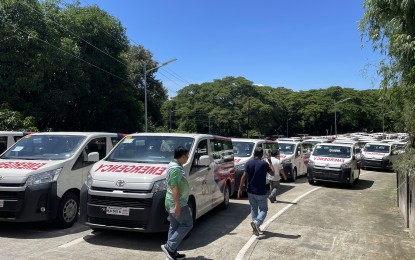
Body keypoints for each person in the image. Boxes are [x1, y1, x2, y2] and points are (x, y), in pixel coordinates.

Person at [161, 146, 193, 260]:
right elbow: (174, 187)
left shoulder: (172, 165)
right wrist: (178, 206)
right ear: (183, 156)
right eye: (187, 156)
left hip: (170, 202)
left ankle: (171, 254)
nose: (187, 159)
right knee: (187, 224)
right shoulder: (175, 169)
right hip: (176, 202)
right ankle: (169, 247)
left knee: (174, 226)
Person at [237, 147, 275, 236]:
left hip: (250, 191)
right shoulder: (264, 164)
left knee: (254, 208)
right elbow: (273, 173)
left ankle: (255, 225)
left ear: (254, 153)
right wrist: (270, 162)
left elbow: (244, 177)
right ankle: (257, 223)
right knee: (264, 209)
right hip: (261, 191)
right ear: (262, 155)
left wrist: (240, 188)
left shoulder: (249, 163)